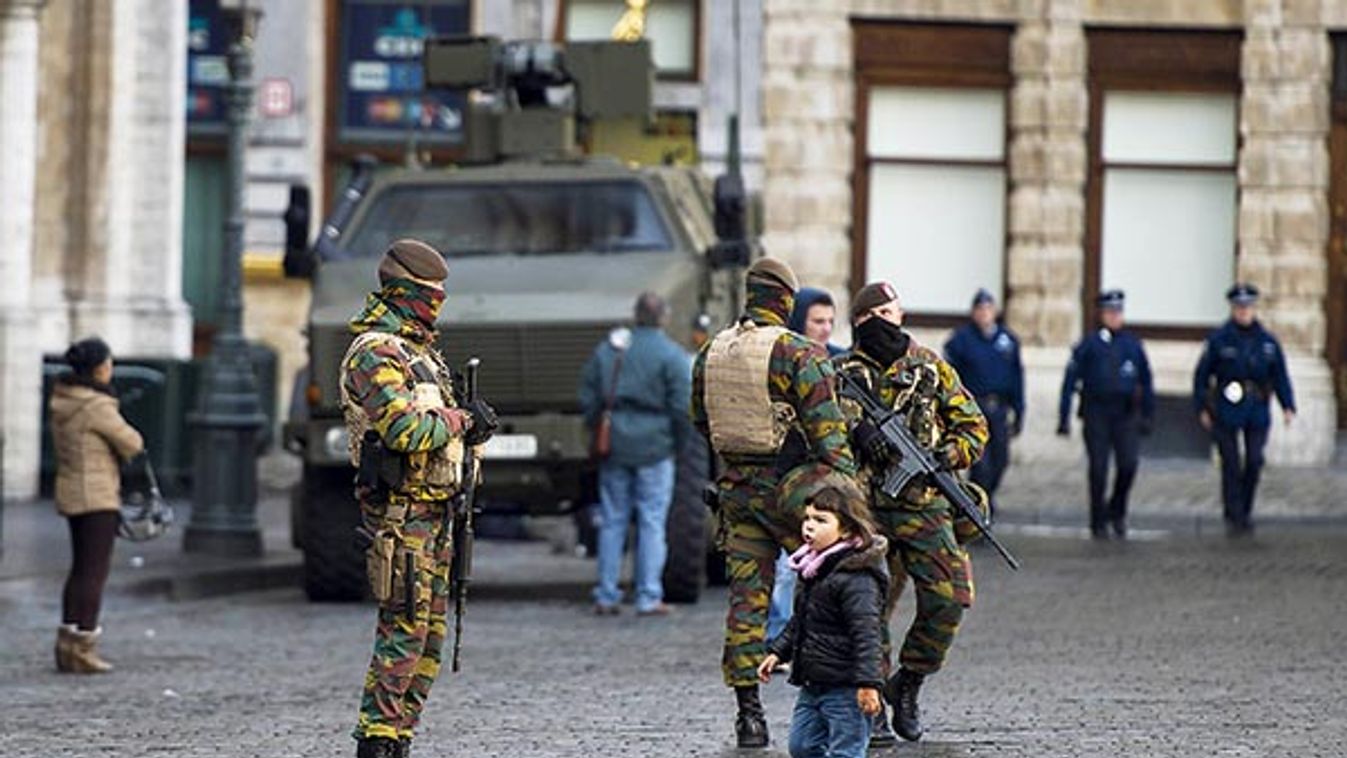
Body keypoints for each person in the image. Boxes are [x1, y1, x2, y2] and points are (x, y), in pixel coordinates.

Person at [690, 256, 857, 748]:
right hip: (794, 496)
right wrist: (850, 503)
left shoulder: (712, 352)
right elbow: (830, 439)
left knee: (746, 604)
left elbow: (701, 422)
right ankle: (851, 702)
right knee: (842, 582)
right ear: (785, 300)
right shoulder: (796, 353)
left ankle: (749, 716)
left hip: (736, 494)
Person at [341, 239, 498, 758]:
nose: (438, 306)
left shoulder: (419, 353)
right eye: (432, 297)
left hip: (436, 516)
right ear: (407, 295)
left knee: (428, 641)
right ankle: (378, 741)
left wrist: (469, 430)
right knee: (402, 635)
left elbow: (437, 429)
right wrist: (461, 420)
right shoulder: (376, 353)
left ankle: (399, 737)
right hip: (401, 518)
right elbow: (406, 429)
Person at [835, 282, 989, 743]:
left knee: (951, 598)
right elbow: (815, 429)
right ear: (859, 321)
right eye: (874, 313)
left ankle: (909, 682)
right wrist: (857, 433)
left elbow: (974, 427)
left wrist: (946, 455)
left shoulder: (931, 369)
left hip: (923, 507)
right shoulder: (839, 372)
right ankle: (872, 707)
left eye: (891, 311)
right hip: (864, 511)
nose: (884, 320)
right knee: (868, 611)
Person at [758, 474, 887, 758]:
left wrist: (868, 685)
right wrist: (778, 651)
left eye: (821, 520)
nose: (809, 526)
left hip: (846, 687)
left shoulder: (856, 578)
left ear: (846, 530)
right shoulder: (813, 568)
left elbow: (868, 636)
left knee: (846, 751)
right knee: (801, 747)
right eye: (808, 519)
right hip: (813, 683)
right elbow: (802, 620)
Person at [580, 292, 692, 616]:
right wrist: (677, 444)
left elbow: (589, 396)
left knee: (613, 520)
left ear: (636, 315)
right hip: (656, 444)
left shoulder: (611, 350)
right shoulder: (672, 355)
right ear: (664, 317)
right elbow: (682, 408)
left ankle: (606, 593)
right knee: (652, 521)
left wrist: (595, 428)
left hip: (614, 442)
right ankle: (647, 595)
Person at [48, 337, 145, 674]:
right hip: (97, 495)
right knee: (94, 572)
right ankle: (84, 646)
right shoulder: (96, 405)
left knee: (79, 569)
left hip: (72, 491)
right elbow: (132, 441)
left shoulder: (63, 398)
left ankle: (66, 644)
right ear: (101, 368)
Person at [767, 286, 845, 655]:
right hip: (793, 478)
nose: (825, 329)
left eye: (830, 321)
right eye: (817, 321)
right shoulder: (786, 362)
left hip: (831, 483)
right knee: (788, 565)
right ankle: (779, 638)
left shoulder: (841, 362)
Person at [1192, 283, 1295, 536]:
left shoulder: (1267, 341)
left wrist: (1287, 404)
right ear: (1233, 309)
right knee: (1230, 462)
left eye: (1247, 307)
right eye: (1239, 308)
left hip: (1256, 405)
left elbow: (1280, 374)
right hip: (1227, 406)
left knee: (1254, 459)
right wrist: (1202, 407)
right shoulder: (1219, 340)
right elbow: (1202, 376)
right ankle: (1234, 512)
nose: (1244, 312)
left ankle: (1245, 507)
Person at [1057, 289, 1154, 540]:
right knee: (1098, 469)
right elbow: (1070, 380)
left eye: (1118, 312)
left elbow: (1146, 380)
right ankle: (1097, 518)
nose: (1114, 317)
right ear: (1101, 314)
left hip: (1125, 413)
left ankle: (1117, 510)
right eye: (1110, 312)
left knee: (1128, 464)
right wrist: (1064, 417)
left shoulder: (1132, 345)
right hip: (1096, 412)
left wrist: (1148, 414)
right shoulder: (1089, 345)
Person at [944, 288, 1024, 505]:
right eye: (980, 309)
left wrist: (1019, 411)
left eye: (988, 309)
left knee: (1001, 460)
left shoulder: (1007, 340)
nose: (984, 313)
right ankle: (978, 506)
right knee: (981, 464)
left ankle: (985, 499)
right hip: (973, 408)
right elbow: (950, 378)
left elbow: (1017, 377)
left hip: (998, 407)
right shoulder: (961, 340)